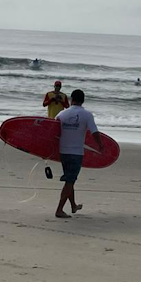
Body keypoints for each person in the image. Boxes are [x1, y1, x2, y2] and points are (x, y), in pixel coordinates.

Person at [54, 89, 103, 218]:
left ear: (71, 99)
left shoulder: (61, 114)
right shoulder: (87, 115)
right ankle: (59, 210)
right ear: (83, 100)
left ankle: (73, 206)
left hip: (63, 152)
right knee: (70, 181)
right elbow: (94, 132)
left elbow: (53, 133)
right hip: (76, 153)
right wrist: (100, 145)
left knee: (70, 180)